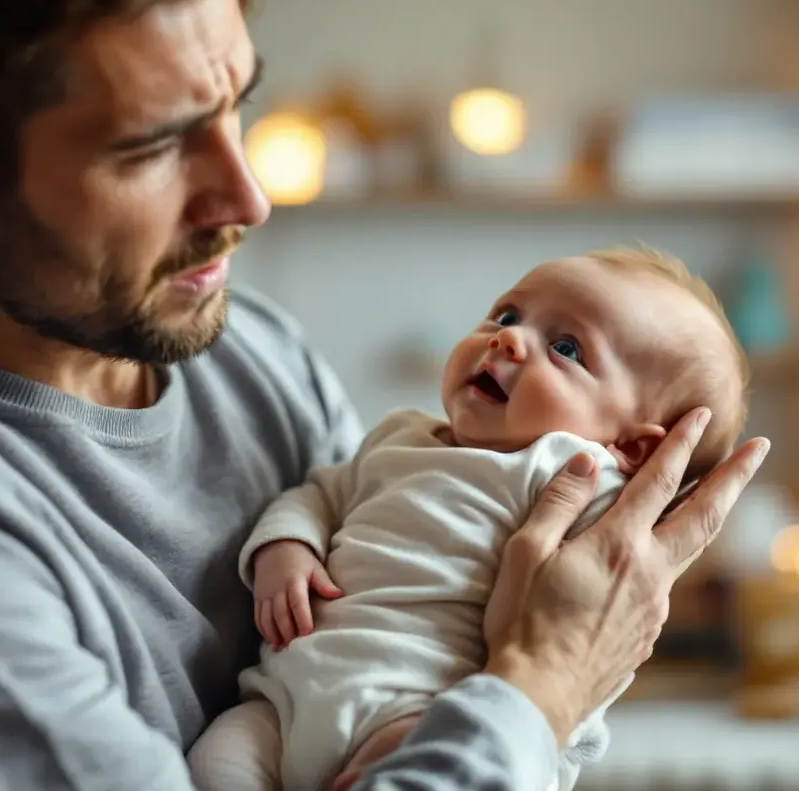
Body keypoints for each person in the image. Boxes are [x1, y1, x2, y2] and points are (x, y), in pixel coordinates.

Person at [0, 0, 770, 789]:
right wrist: (546, 682)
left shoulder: (249, 349)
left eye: (236, 105)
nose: (249, 199)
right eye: (153, 147)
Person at [186, 248, 751, 791]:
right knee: (213, 765)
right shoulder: (401, 434)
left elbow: (608, 617)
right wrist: (287, 546)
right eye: (507, 315)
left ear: (630, 446)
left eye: (566, 348)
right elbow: (320, 496)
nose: (507, 339)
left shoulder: (576, 478)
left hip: (426, 706)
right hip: (288, 697)